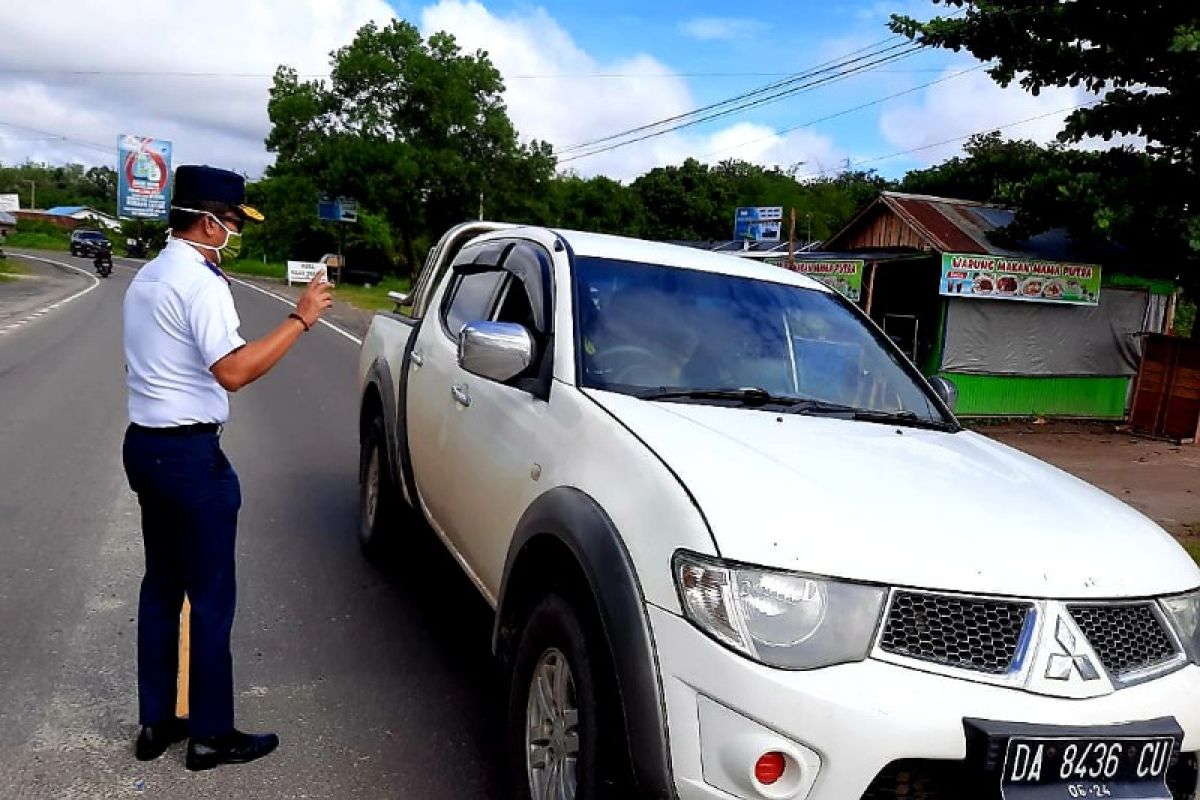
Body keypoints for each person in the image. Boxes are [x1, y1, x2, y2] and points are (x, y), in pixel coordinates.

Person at [122, 165, 333, 771]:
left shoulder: (150, 276)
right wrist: (301, 317)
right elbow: (234, 372)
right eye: (233, 221)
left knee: (161, 588)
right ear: (209, 219)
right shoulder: (200, 284)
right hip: (191, 457)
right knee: (211, 598)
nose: (233, 232)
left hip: (146, 446)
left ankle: (157, 721)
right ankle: (212, 735)